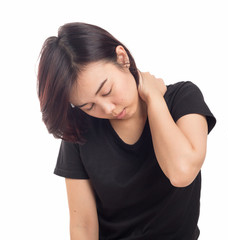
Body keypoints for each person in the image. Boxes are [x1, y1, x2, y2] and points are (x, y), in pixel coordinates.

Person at [37, 22, 216, 239]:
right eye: (89, 106)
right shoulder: (81, 131)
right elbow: (82, 226)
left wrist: (154, 98)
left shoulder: (182, 99)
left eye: (107, 90)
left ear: (122, 58)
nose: (108, 109)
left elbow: (181, 172)